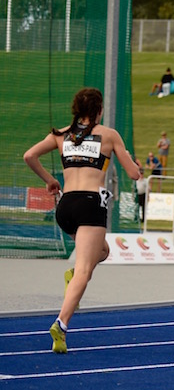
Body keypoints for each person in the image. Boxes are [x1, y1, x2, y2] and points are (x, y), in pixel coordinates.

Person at [22, 87, 142, 353]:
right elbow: (133, 174)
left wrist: (50, 180)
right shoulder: (109, 135)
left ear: (76, 110)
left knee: (103, 251)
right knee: (86, 270)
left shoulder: (61, 134)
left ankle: (73, 277)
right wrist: (137, 167)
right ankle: (61, 324)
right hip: (90, 206)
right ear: (99, 111)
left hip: (66, 207)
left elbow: (29, 156)